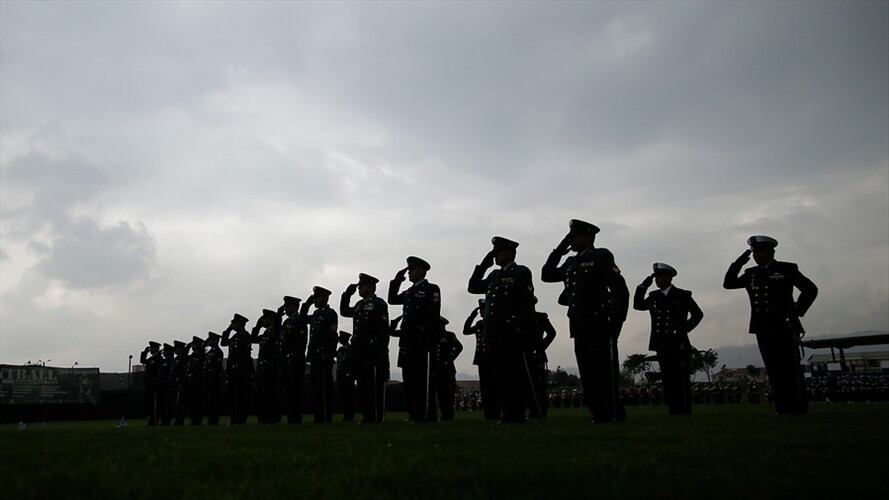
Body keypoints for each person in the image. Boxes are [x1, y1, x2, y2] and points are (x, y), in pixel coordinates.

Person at [541, 219, 629, 423]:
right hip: (578, 324)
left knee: (604, 371)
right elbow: (546, 274)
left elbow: (620, 291)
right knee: (587, 371)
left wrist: (617, 323)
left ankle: (613, 412)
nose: (572, 240)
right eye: (570, 236)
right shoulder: (570, 263)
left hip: (600, 322)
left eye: (575, 236)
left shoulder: (601, 256)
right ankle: (598, 412)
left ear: (589, 237)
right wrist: (561, 248)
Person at [723, 235, 817, 415]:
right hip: (762, 326)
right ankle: (782, 408)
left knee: (790, 368)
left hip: (784, 325)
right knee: (773, 369)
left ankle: (798, 406)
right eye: (754, 252)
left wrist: (797, 309)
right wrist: (739, 263)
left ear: (770, 251)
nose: (757, 255)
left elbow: (810, 289)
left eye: (760, 251)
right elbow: (728, 284)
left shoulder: (786, 269)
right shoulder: (751, 273)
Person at [468, 236, 538, 423]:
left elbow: (527, 302)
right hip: (494, 332)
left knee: (514, 374)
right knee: (499, 375)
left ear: (509, 252)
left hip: (512, 331)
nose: (496, 256)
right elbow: (473, 286)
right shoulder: (493, 276)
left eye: (498, 252)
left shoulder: (521, 272)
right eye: (494, 253)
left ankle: (516, 412)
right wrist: (485, 263)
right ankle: (506, 412)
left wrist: (526, 330)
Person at [634, 263, 704, 415]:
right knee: (667, 376)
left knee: (681, 376)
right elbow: (638, 305)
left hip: (678, 341)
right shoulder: (654, 296)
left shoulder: (682, 295)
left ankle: (684, 408)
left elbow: (698, 314)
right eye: (656, 277)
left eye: (660, 276)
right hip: (661, 341)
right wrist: (643, 286)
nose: (658, 280)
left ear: (669, 277)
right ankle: (673, 407)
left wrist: (684, 329)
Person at [388, 256, 441, 423]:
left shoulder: (431, 289)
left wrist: (429, 340)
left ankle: (427, 413)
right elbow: (392, 299)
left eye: (411, 270)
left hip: (422, 342)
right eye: (408, 270)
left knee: (423, 380)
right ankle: (413, 413)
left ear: (421, 270)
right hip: (407, 342)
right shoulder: (409, 292)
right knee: (409, 380)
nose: (409, 273)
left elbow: (433, 316)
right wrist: (397, 280)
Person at [340, 273, 390, 423]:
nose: (359, 289)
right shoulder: (359, 305)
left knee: (374, 385)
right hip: (359, 351)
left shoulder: (378, 304)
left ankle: (376, 416)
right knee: (363, 385)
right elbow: (344, 311)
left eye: (361, 286)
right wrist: (346, 295)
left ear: (370, 287)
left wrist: (379, 349)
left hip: (372, 351)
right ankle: (367, 416)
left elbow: (383, 330)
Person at [301, 286, 338, 423]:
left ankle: (326, 417)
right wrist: (307, 304)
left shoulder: (330, 314)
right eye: (314, 298)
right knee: (316, 388)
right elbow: (302, 319)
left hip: (324, 356)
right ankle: (318, 417)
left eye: (316, 298)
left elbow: (332, 336)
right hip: (315, 357)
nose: (315, 300)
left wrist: (328, 354)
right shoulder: (316, 314)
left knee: (324, 388)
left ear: (324, 298)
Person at [463, 299, 497, 420]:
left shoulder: (494, 322)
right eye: (481, 310)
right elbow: (466, 331)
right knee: (485, 387)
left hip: (492, 357)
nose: (482, 312)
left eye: (484, 309)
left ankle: (496, 411)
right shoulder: (479, 324)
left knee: (494, 385)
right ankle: (488, 413)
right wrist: (471, 316)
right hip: (481, 358)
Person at [222, 313, 254, 425]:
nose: (233, 325)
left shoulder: (245, 336)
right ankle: (234, 418)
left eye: (234, 323)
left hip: (241, 371)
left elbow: (245, 355)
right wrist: (228, 329)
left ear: (240, 324)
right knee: (233, 396)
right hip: (232, 371)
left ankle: (240, 419)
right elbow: (223, 342)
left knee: (241, 396)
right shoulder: (234, 337)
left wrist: (242, 370)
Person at [430, 317, 463, 421]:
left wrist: (449, 359)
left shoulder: (449, 336)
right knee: (432, 393)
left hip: (446, 369)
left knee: (446, 393)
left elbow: (459, 347)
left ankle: (448, 415)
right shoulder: (432, 336)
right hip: (434, 367)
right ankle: (432, 415)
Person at [280, 296, 307, 424]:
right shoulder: (286, 323)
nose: (285, 309)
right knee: (289, 391)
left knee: (296, 390)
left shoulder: (299, 320)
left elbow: (301, 342)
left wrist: (294, 356)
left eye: (287, 306)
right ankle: (291, 416)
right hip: (287, 360)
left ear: (294, 307)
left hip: (296, 360)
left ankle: (296, 417)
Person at [252, 309, 281, 424]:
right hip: (263, 368)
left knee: (270, 395)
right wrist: (258, 326)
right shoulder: (265, 333)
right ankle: (264, 417)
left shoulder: (275, 332)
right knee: (263, 395)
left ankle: (272, 418)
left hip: (271, 368)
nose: (263, 321)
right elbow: (253, 339)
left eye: (265, 319)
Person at [528, 311, 557, 419]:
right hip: (523, 353)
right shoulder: (519, 316)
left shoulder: (540, 317)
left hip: (536, 355)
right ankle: (530, 411)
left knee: (539, 385)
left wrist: (541, 347)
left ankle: (539, 412)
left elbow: (551, 333)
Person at [203, 332, 224, 425]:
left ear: (215, 341)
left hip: (214, 379)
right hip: (208, 379)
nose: (209, 341)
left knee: (214, 401)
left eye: (211, 339)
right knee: (209, 401)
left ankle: (214, 420)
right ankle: (211, 420)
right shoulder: (210, 351)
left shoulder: (218, 352)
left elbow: (217, 367)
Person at [335, 331, 356, 422]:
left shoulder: (351, 350)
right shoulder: (340, 350)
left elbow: (351, 363)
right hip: (341, 375)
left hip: (348, 376)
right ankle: (346, 414)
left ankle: (350, 415)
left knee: (349, 397)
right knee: (343, 396)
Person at [139, 341, 161, 425]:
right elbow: (143, 361)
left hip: (154, 383)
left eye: (152, 348)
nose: (150, 349)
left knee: (155, 403)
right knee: (149, 403)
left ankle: (155, 419)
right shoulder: (151, 359)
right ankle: (151, 418)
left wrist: (155, 379)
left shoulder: (158, 359)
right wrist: (144, 352)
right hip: (148, 384)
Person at [187, 336, 206, 425]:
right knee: (192, 401)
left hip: (199, 380)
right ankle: (193, 419)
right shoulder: (192, 356)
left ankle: (197, 419)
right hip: (192, 380)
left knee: (198, 401)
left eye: (194, 344)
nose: (192, 346)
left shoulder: (202, 355)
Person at [157, 343, 177, 425]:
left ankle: (167, 420)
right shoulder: (164, 361)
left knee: (167, 404)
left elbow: (171, 374)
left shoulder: (171, 362)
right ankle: (164, 420)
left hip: (168, 386)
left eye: (165, 350)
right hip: (162, 386)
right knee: (162, 404)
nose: (163, 352)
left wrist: (166, 381)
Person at [173, 340, 189, 425]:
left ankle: (180, 419)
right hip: (177, 382)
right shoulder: (176, 359)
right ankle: (178, 419)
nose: (175, 350)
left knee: (182, 403)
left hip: (183, 382)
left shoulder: (184, 358)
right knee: (177, 403)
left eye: (176, 348)